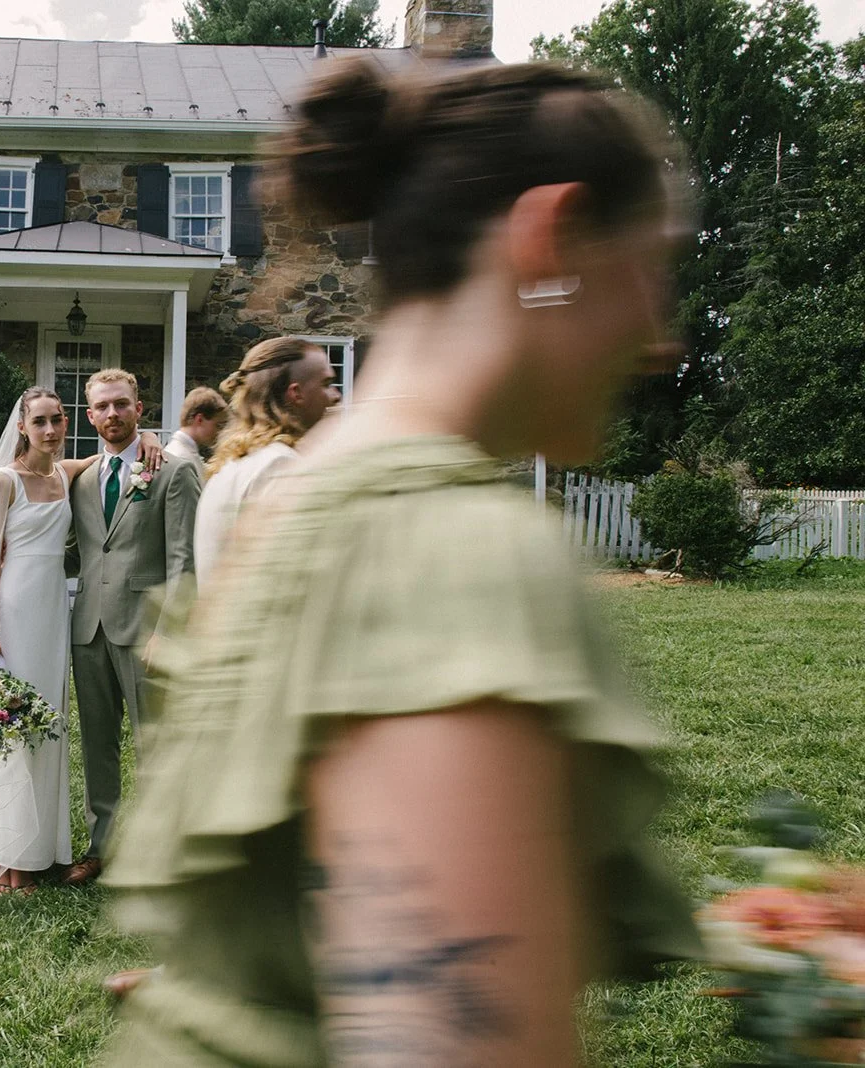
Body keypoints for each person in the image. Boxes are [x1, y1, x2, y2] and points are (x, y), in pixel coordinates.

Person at [99, 58, 700, 1067]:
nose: (658, 337)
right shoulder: (453, 547)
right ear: (551, 240)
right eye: (650, 269)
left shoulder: (302, 502)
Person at [0, 388, 165, 926]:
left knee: (45, 729)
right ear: (23, 427)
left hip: (53, 617)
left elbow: (111, 455)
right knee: (8, 732)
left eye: (57, 420)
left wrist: (148, 437)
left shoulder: (65, 475)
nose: (50, 430)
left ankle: (36, 852)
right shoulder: (3, 481)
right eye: (40, 422)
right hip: (11, 614)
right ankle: (0, 861)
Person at [65, 368, 202, 887]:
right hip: (89, 630)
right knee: (97, 745)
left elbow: (184, 560)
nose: (113, 414)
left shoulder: (172, 472)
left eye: (121, 404)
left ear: (139, 409)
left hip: (146, 631)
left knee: (155, 744)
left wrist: (168, 629)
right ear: (90, 416)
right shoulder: (81, 480)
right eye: (102, 406)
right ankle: (101, 846)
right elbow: (79, 550)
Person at [192, 338, 339, 584]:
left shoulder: (230, 465)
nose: (336, 396)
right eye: (326, 384)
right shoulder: (280, 466)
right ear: (296, 393)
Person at [164, 386, 228, 475]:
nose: (220, 432)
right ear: (200, 419)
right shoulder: (182, 458)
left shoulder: (186, 451)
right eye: (218, 425)